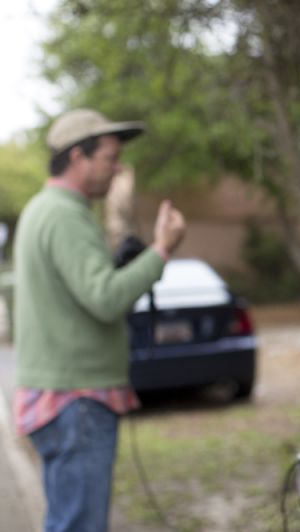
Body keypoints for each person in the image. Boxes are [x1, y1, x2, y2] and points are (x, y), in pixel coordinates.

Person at [13, 108, 186, 532]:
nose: (117, 169)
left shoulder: (44, 210)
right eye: (110, 157)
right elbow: (106, 298)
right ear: (77, 157)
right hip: (78, 403)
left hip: (62, 399)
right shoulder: (64, 215)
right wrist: (161, 249)